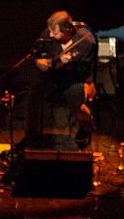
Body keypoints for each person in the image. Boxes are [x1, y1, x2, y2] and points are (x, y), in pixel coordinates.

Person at [24, 11, 97, 150]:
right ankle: (31, 136)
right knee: (32, 95)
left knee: (79, 101)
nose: (51, 35)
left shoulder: (85, 42)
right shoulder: (48, 34)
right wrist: (38, 61)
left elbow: (84, 71)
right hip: (51, 78)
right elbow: (36, 54)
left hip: (74, 80)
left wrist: (65, 64)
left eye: (55, 33)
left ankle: (85, 126)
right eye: (50, 31)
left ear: (68, 29)